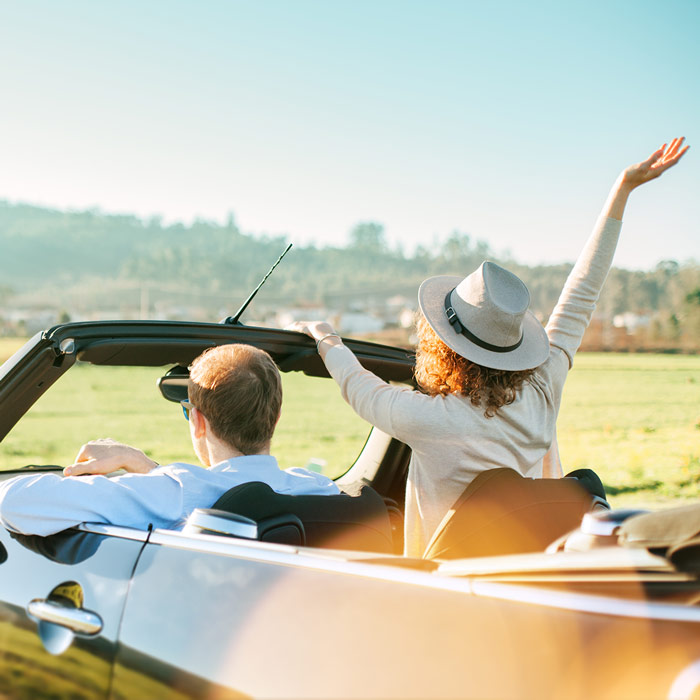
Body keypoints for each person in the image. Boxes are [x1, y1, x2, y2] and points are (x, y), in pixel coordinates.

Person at [288, 138, 690, 557]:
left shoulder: (434, 420)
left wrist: (324, 336)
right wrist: (622, 191)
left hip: (440, 592)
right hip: (517, 575)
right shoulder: (543, 390)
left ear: (443, 346)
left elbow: (358, 387)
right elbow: (581, 296)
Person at [0, 343, 339, 537]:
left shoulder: (172, 494)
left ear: (198, 421)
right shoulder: (322, 490)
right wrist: (149, 467)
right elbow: (222, 486)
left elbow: (13, 501)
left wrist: (151, 475)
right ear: (276, 418)